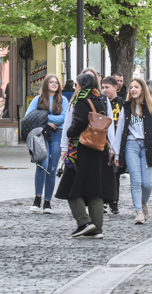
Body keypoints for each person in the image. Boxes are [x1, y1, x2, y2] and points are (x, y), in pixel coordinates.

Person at [57, 73, 115, 238]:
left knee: (69, 186)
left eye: (77, 84)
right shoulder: (101, 99)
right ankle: (97, 229)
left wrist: (69, 132)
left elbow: (79, 122)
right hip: (100, 147)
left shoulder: (81, 100)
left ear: (81, 85)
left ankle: (84, 221)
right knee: (95, 189)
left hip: (82, 149)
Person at [119, 78, 152, 224]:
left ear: (142, 89)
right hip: (131, 145)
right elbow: (120, 129)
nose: (133, 90)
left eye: (136, 87)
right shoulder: (126, 107)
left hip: (147, 146)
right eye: (131, 87)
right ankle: (138, 211)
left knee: (147, 183)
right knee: (136, 180)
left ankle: (144, 202)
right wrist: (116, 152)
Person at [27, 74, 67, 214]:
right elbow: (29, 115)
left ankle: (48, 202)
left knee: (51, 167)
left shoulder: (63, 100)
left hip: (57, 135)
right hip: (41, 135)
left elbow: (64, 117)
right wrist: (47, 121)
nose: (54, 84)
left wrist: (43, 116)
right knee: (42, 165)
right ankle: (37, 199)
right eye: (51, 82)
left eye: (56, 82)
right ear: (46, 84)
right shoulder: (38, 99)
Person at [101, 76, 125, 215]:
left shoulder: (121, 103)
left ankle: (114, 201)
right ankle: (103, 201)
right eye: (102, 87)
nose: (104, 90)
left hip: (117, 141)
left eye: (107, 87)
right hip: (103, 141)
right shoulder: (101, 102)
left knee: (115, 173)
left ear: (115, 88)